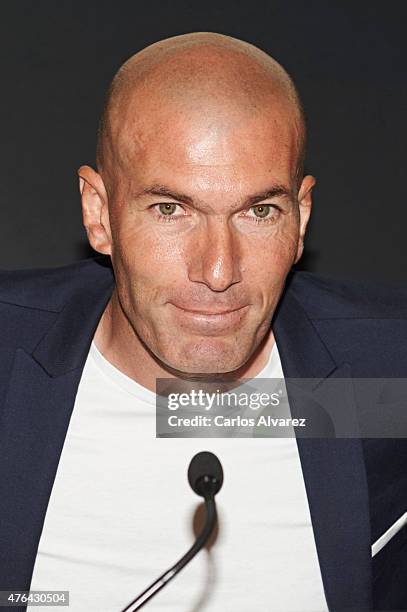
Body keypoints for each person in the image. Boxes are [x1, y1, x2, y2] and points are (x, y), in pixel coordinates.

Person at [0, 32, 406, 612]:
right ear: (99, 213)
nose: (218, 270)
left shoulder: (384, 378)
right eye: (171, 209)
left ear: (302, 217)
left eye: (259, 211)